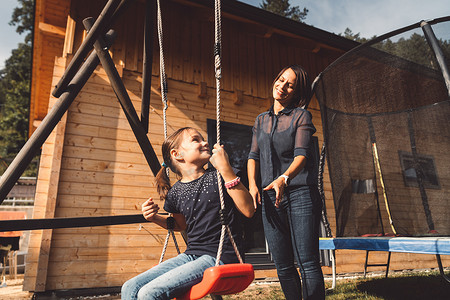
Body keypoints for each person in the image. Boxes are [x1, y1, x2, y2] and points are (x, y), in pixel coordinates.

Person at [121, 127, 255, 300]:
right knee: (130, 287)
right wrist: (154, 218)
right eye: (195, 140)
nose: (205, 142)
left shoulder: (220, 175)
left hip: (221, 256)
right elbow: (180, 225)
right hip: (191, 255)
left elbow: (248, 210)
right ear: (177, 154)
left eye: (203, 139)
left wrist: (226, 169)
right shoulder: (175, 192)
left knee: (149, 293)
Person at [247, 65, 325, 299]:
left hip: (300, 193)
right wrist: (252, 185)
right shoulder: (260, 121)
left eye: (289, 84)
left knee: (307, 260)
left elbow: (302, 154)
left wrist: (284, 178)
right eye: (281, 80)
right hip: (271, 196)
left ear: (295, 91)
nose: (282, 86)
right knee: (282, 264)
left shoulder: (301, 116)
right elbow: (253, 156)